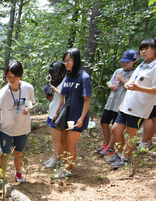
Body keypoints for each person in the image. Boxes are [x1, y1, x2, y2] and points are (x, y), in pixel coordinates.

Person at [109, 38, 156, 169]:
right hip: (127, 104)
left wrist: (138, 88)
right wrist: (122, 102)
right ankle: (119, 154)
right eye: (142, 49)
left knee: (131, 133)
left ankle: (125, 158)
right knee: (116, 129)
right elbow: (131, 85)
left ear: (155, 50)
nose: (144, 51)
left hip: (140, 107)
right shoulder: (141, 65)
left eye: (147, 48)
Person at [0, 61, 35, 183]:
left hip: (22, 128)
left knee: (19, 152)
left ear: (20, 75)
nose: (11, 79)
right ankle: (0, 177)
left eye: (15, 76)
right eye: (9, 76)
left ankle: (18, 174)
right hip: (6, 128)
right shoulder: (3, 92)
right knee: (5, 153)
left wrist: (28, 109)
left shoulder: (28, 88)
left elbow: (31, 102)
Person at [52, 48, 92, 178]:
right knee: (63, 142)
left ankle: (67, 170)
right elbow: (62, 97)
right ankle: (64, 166)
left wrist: (82, 117)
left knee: (70, 144)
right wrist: (57, 113)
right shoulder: (68, 76)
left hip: (77, 116)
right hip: (66, 115)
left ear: (76, 60)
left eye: (69, 60)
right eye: (65, 61)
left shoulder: (84, 78)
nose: (66, 63)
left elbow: (87, 100)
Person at [97, 50, 138, 156]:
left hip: (121, 104)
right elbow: (111, 82)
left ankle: (111, 147)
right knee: (103, 123)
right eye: (123, 61)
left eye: (127, 62)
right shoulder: (118, 70)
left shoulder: (135, 73)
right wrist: (110, 85)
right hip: (111, 101)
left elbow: (134, 88)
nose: (124, 63)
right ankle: (107, 144)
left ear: (134, 61)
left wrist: (123, 80)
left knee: (116, 127)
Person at [43, 61, 66, 169]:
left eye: (55, 72)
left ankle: (57, 160)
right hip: (53, 111)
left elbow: (64, 95)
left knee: (58, 140)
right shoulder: (58, 80)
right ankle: (54, 157)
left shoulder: (66, 80)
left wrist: (53, 88)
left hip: (59, 113)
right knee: (54, 138)